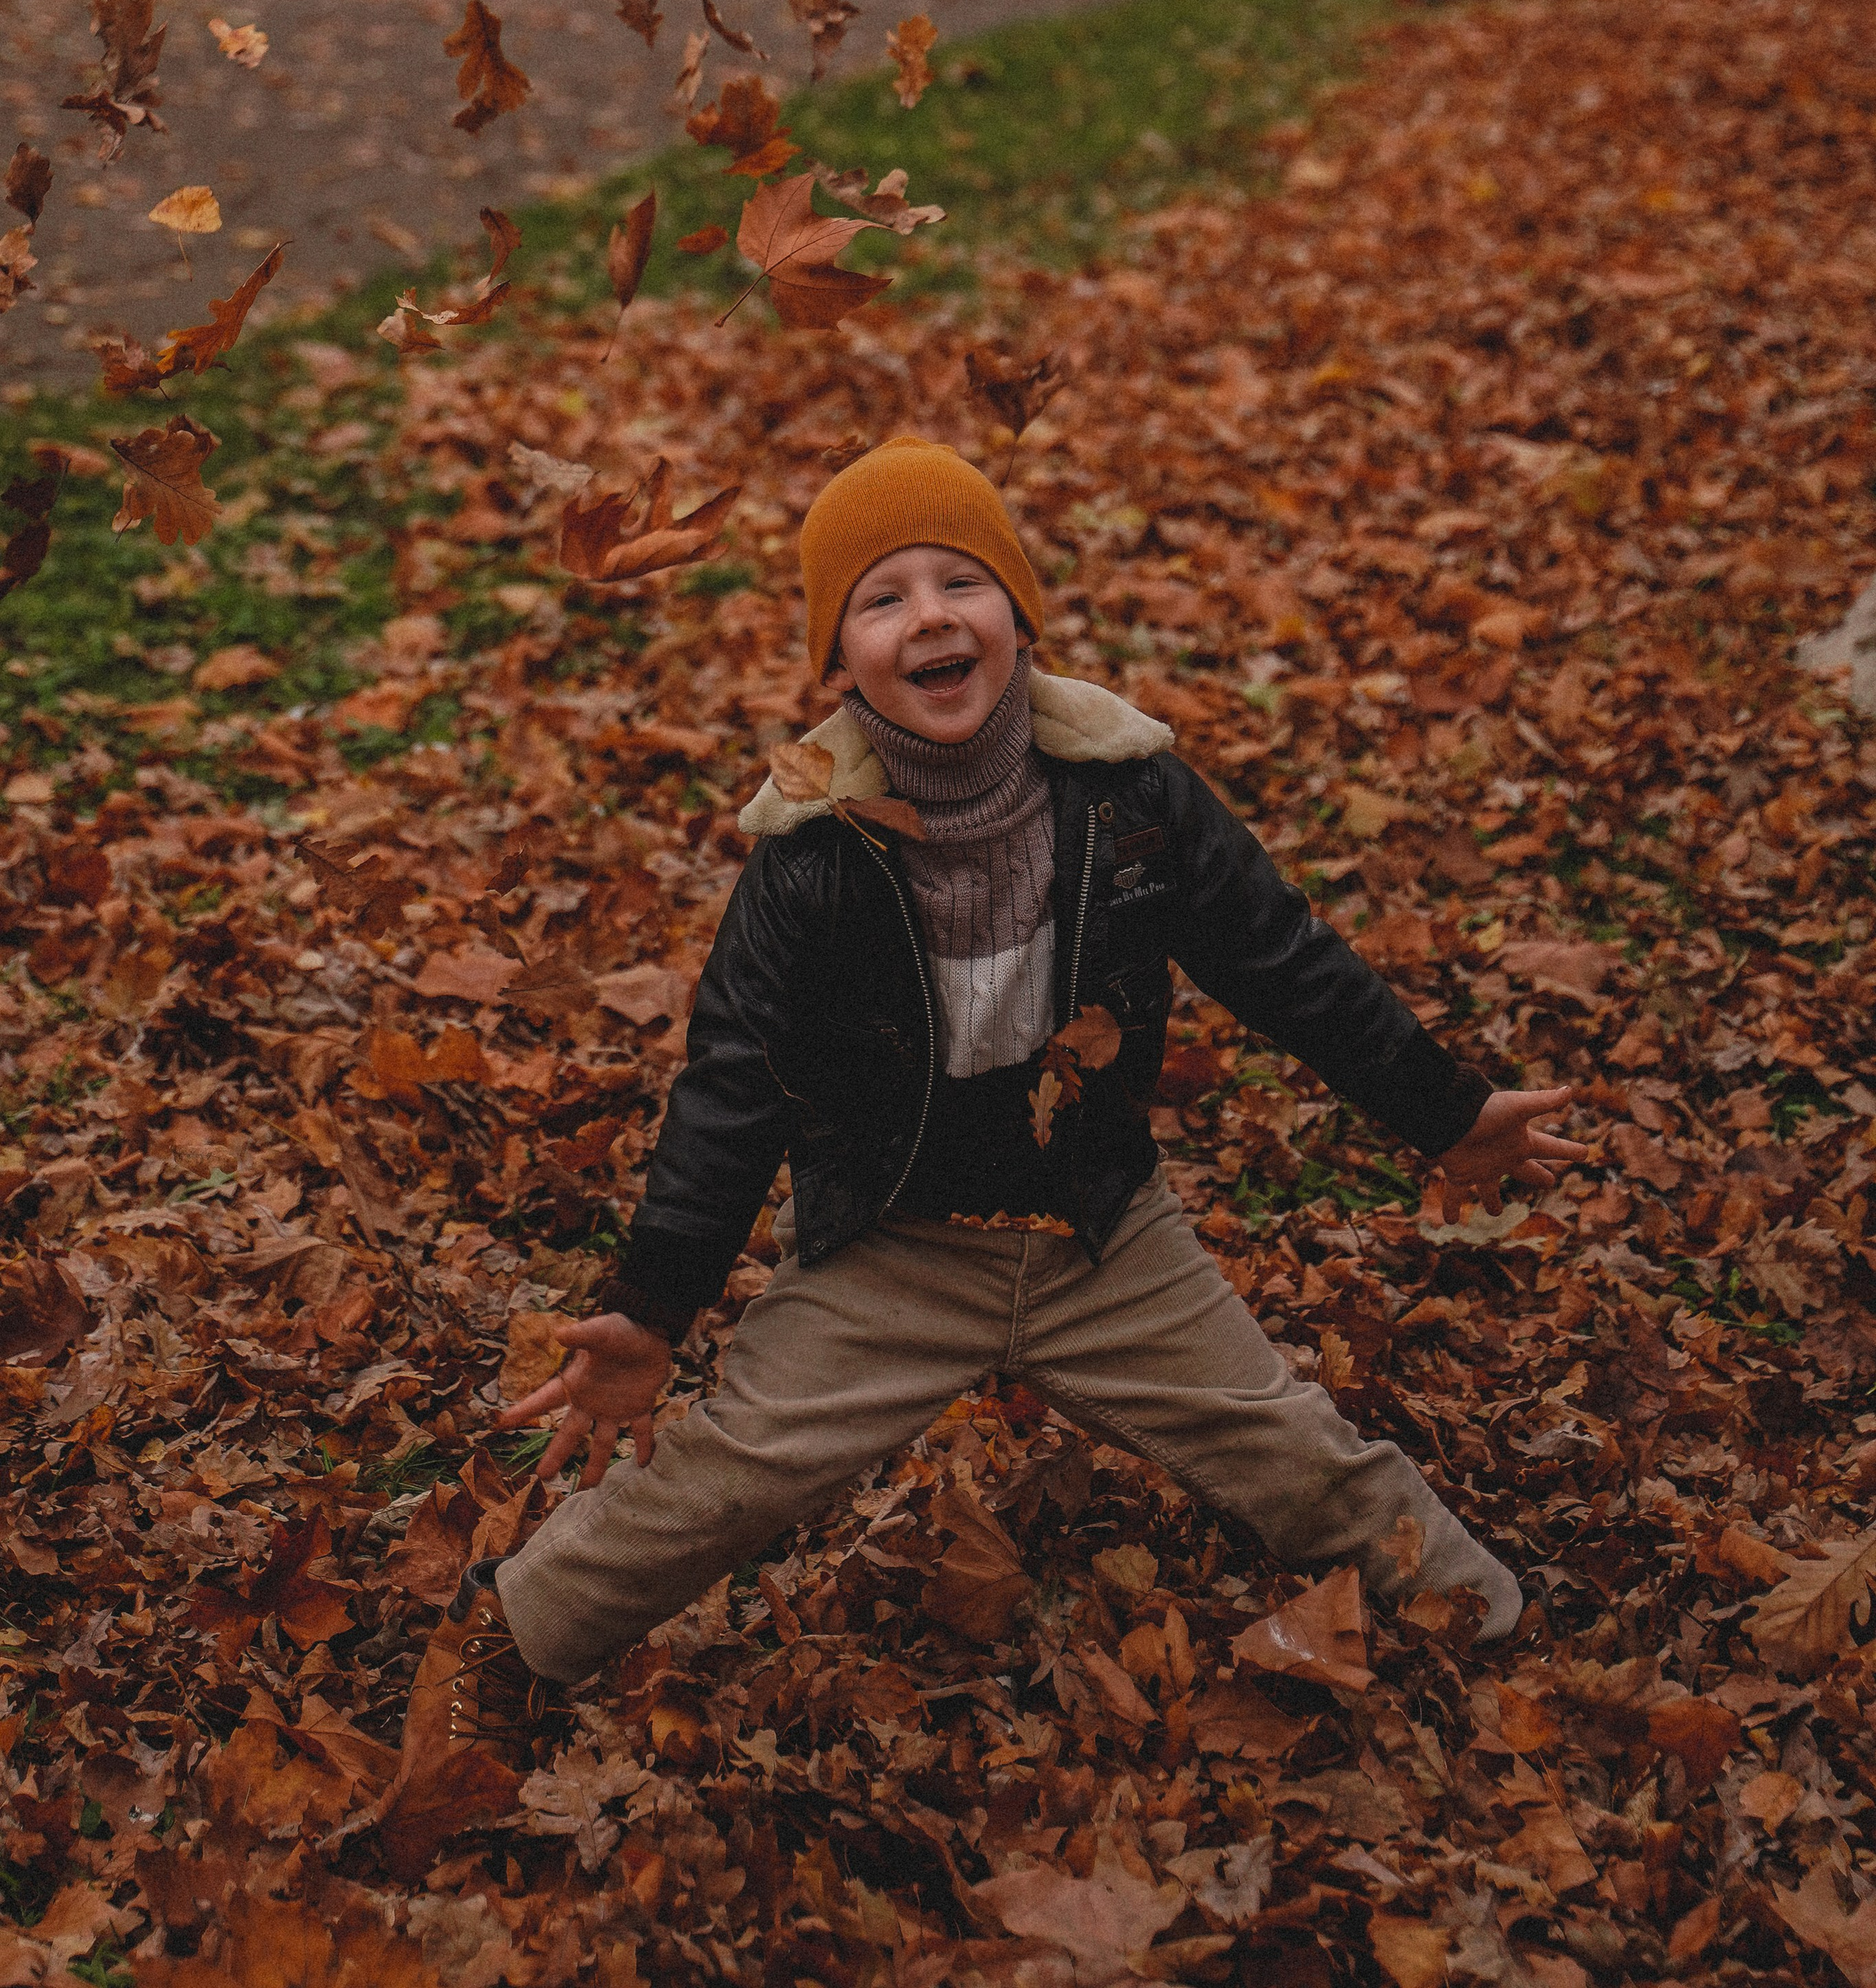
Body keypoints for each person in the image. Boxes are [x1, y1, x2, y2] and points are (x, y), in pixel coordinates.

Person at [388, 437, 1582, 1841]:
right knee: (727, 1467)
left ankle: (1497, 1627)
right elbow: (732, 1080)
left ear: (1022, 617)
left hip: (1099, 1224)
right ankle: (516, 1640)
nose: (932, 615)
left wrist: (1441, 1111)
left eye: (964, 581)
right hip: (895, 1239)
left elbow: (1281, 958)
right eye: (883, 599)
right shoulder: (814, 855)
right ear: (842, 661)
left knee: (1285, 1440)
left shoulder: (1134, 794)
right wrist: (656, 1302)